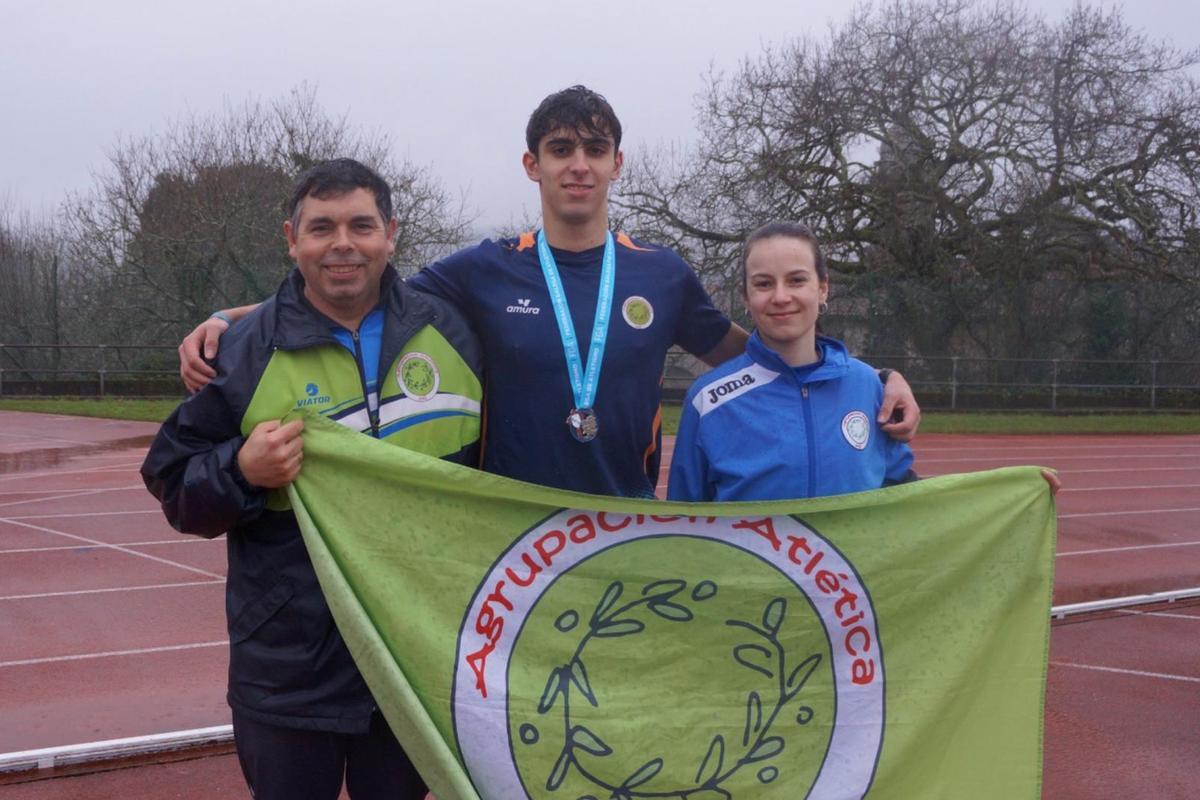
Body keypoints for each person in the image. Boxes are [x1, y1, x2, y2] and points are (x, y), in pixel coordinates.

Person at [177, 86, 921, 496]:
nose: (578, 165)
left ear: (618, 163)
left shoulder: (662, 273)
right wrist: (229, 317)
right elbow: (363, 286)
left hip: (624, 517)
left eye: (595, 149)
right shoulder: (484, 268)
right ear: (532, 164)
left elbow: (759, 351)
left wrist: (875, 376)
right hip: (508, 521)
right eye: (560, 149)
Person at [141, 159, 483, 800]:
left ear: (391, 235)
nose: (342, 244)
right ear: (291, 240)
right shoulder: (241, 351)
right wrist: (241, 470)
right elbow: (173, 482)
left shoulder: (455, 334)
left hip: (415, 658)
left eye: (361, 226)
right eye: (322, 228)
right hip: (288, 672)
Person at [668, 222, 915, 501]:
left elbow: (902, 491)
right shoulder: (707, 402)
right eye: (763, 284)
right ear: (746, 297)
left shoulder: (869, 386)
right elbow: (686, 518)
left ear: (823, 288)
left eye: (796, 280)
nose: (781, 297)